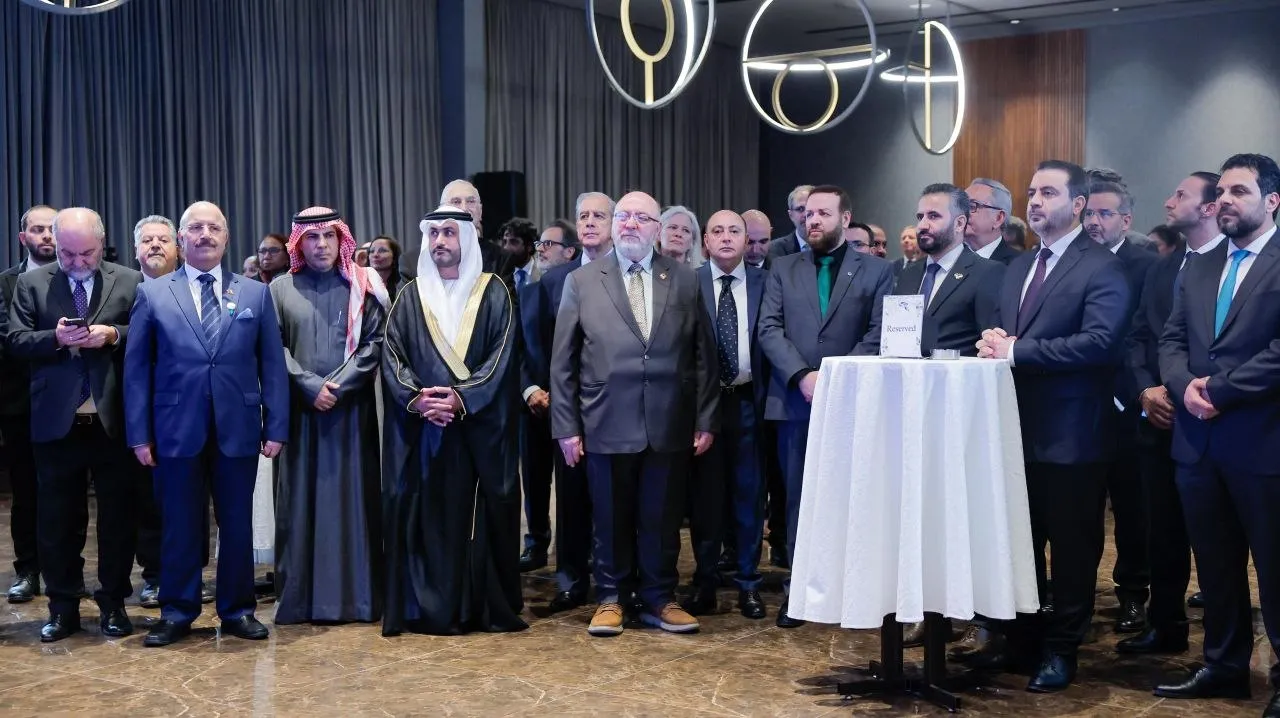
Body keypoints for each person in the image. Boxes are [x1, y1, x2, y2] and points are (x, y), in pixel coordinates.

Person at [977, 160, 1131, 692]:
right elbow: (1009, 336)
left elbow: (1100, 343)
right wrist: (994, 342)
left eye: (1048, 192)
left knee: (1071, 551)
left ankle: (1062, 650)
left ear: (1079, 204)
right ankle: (1020, 642)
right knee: (1020, 544)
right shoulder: (1019, 266)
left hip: (1072, 433)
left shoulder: (1102, 266)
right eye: (1031, 192)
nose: (1035, 201)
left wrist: (1017, 350)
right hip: (1014, 430)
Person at [551, 190, 718, 636]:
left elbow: (703, 355)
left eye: (641, 218)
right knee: (609, 518)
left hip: (669, 421)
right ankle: (611, 598)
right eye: (623, 216)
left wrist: (705, 418)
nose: (630, 224)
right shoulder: (583, 281)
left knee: (662, 518)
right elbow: (563, 361)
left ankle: (661, 598)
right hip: (603, 419)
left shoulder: (684, 279)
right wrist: (566, 427)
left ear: (656, 229)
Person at [125, 201, 289, 647]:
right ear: (181, 239)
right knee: (179, 524)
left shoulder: (254, 294)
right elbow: (136, 371)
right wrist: (139, 434)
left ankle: (238, 610)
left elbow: (272, 365)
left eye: (213, 227)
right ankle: (177, 611)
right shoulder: (154, 294)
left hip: (239, 428)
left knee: (236, 525)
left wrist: (276, 426)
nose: (204, 234)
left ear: (226, 237)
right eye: (195, 227)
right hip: (175, 428)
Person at [1155, 154, 1280, 717]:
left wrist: (1220, 389)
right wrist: (1184, 387)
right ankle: (1225, 666)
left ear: (1272, 201)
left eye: (1239, 191)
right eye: (1222, 191)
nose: (1225, 200)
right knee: (1216, 563)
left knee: (1274, 568)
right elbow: (1172, 339)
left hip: (1264, 441)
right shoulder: (1200, 266)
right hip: (1198, 442)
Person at [380, 206, 526, 637]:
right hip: (425, 429)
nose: (440, 240)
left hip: (477, 428)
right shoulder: (409, 296)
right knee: (427, 516)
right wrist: (419, 399)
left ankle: (483, 607)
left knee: (482, 515)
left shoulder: (494, 291)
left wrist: (462, 397)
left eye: (449, 232)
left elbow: (503, 355)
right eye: (434, 233)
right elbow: (392, 355)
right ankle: (428, 608)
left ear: (466, 238)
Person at [758, 184, 893, 629]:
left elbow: (879, 332)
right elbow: (769, 329)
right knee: (799, 499)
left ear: (845, 219)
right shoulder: (782, 267)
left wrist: (836, 376)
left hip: (853, 401)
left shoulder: (877, 271)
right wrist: (802, 375)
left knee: (854, 498)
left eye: (822, 213)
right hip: (795, 401)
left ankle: (853, 591)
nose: (812, 220)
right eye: (808, 214)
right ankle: (800, 592)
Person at [8, 208, 143, 642]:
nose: (77, 261)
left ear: (101, 243)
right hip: (56, 424)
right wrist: (55, 338)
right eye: (68, 253)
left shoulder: (130, 280)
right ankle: (62, 606)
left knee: (117, 521)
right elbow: (14, 340)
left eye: (86, 253)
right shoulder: (32, 283)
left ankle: (114, 604)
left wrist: (113, 335)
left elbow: (148, 335)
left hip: (112, 422)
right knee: (57, 523)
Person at [1117, 171, 1222, 658]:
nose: (1168, 201)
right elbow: (1139, 336)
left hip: (1211, 417)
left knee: (1219, 539)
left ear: (1208, 207)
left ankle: (1223, 644)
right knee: (1162, 530)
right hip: (1158, 418)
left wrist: (1183, 390)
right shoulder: (1164, 267)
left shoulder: (1233, 261)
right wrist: (1145, 390)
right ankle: (1165, 625)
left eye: (1181, 194)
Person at [271, 207, 388, 624]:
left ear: (342, 241)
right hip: (301, 416)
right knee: (300, 505)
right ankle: (301, 601)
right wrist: (308, 386)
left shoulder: (362, 286)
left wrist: (336, 387)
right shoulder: (279, 289)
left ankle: (358, 600)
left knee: (352, 504)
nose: (321, 245)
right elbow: (272, 348)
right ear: (298, 244)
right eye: (312, 237)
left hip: (351, 414)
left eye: (329, 236)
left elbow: (375, 342)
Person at [522, 192, 614, 612]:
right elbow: (537, 347)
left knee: (616, 500)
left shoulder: (630, 275)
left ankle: (617, 581)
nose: (590, 222)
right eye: (583, 216)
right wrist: (540, 392)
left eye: (599, 216)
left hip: (619, 407)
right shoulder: (553, 282)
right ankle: (572, 581)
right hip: (570, 407)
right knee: (572, 499)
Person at [683, 210, 769, 620]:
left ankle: (749, 584)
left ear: (746, 238)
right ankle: (705, 584)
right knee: (705, 501)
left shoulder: (768, 283)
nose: (726, 237)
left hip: (750, 402)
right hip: (703, 405)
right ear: (705, 241)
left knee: (749, 498)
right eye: (716, 231)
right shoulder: (688, 283)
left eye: (734, 230)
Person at [1084, 180, 1158, 635]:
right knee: (1080, 507)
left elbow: (1145, 333)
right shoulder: (1072, 262)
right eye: (1088, 213)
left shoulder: (1147, 266)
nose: (1093, 222)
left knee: (1132, 507)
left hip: (1129, 401)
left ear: (1126, 221)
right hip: (1079, 403)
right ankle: (1076, 593)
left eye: (1104, 214)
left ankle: (1133, 593)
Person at [1, 205, 60, 604]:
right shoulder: (6, 283)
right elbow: (8, 339)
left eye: (52, 228)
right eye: (38, 230)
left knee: (68, 494)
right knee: (26, 493)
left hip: (70, 402)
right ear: (24, 238)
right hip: (21, 404)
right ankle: (28, 570)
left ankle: (64, 571)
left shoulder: (81, 278)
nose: (47, 236)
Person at [895, 184, 1004, 357]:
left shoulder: (987, 273)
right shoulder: (908, 274)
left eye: (933, 216)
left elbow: (989, 345)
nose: (922, 225)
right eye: (920, 217)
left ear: (959, 223)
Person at [965, 178, 1021, 265]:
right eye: (961, 206)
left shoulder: (1019, 265)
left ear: (998, 218)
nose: (962, 213)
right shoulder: (948, 258)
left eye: (972, 206)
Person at [767, 185, 814, 260]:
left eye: (810, 208)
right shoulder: (774, 250)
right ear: (791, 215)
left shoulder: (831, 246)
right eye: (800, 209)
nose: (806, 214)